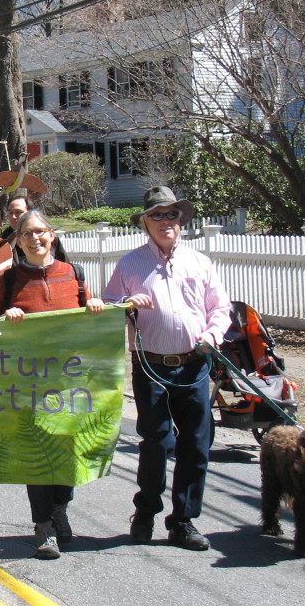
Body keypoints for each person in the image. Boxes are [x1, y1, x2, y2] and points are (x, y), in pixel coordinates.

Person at [102, 186, 231, 551]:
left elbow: (220, 309)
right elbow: (110, 304)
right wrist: (126, 304)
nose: (165, 221)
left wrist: (213, 335)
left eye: (171, 214)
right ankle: (146, 512)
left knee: (196, 444)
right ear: (145, 222)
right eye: (156, 215)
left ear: (181, 219)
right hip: (151, 366)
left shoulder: (199, 262)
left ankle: (183, 521)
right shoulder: (129, 264)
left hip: (194, 365)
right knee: (157, 441)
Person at [0, 210, 104, 560]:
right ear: (18, 240)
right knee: (37, 454)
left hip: (69, 382)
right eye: (27, 233)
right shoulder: (8, 282)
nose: (35, 238)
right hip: (25, 384)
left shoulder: (74, 275)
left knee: (66, 450)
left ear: (51, 236)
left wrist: (96, 305)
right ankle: (43, 527)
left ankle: (60, 508)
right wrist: (5, 319)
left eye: (41, 232)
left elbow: (91, 323)